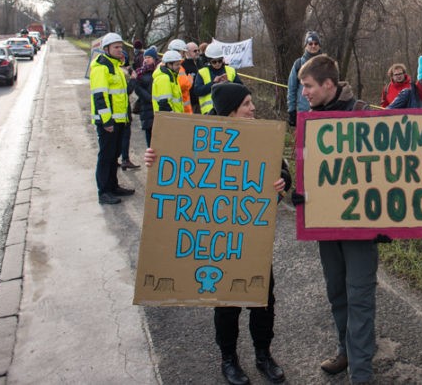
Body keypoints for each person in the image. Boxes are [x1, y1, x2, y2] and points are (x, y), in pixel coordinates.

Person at [143, 83, 290, 385]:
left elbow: (283, 174)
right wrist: (153, 160)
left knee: (263, 298)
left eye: (252, 103)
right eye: (247, 103)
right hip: (217, 239)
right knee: (226, 301)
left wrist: (281, 183)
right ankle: (229, 359)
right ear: (231, 109)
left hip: (251, 238)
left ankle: (264, 354)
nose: (253, 108)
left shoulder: (263, 137)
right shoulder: (197, 140)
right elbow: (173, 168)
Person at [294, 54, 378, 384]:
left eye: (308, 86)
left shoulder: (363, 114)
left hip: (362, 229)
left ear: (329, 85)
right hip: (327, 227)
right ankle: (345, 350)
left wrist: (386, 221)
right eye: (302, 87)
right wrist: (301, 195)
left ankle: (362, 372)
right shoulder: (310, 120)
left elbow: (384, 172)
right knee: (337, 293)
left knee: (360, 297)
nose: (304, 93)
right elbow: (308, 169)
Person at [89, 32, 136, 205]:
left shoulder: (115, 66)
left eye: (121, 47)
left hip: (119, 120)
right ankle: (104, 191)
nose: (119, 50)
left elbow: (120, 96)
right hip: (108, 122)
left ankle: (113, 186)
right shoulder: (102, 67)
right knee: (106, 156)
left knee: (114, 155)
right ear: (106, 49)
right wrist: (107, 121)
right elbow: (100, 97)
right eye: (116, 47)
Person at [194, 42, 244, 115]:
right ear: (209, 61)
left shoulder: (231, 71)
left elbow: (241, 89)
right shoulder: (202, 72)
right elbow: (197, 91)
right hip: (209, 113)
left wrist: (229, 83)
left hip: (229, 111)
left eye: (219, 61)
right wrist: (213, 83)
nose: (217, 64)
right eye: (214, 62)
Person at [287, 31, 322, 127]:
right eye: (310, 43)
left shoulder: (326, 64)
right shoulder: (298, 64)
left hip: (323, 111)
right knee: (302, 141)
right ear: (306, 46)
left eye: (316, 43)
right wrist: (291, 110)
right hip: (303, 112)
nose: (313, 46)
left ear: (319, 45)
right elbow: (291, 89)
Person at [132, 47, 158, 147]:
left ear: (155, 58)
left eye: (149, 57)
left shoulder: (158, 71)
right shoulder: (140, 72)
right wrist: (149, 98)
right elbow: (137, 89)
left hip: (156, 107)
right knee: (149, 136)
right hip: (146, 107)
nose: (146, 59)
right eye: (145, 57)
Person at [152, 50, 186, 115]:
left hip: (173, 117)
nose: (179, 67)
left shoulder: (172, 76)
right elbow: (164, 103)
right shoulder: (164, 78)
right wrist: (172, 117)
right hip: (169, 119)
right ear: (169, 64)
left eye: (179, 64)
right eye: (177, 64)